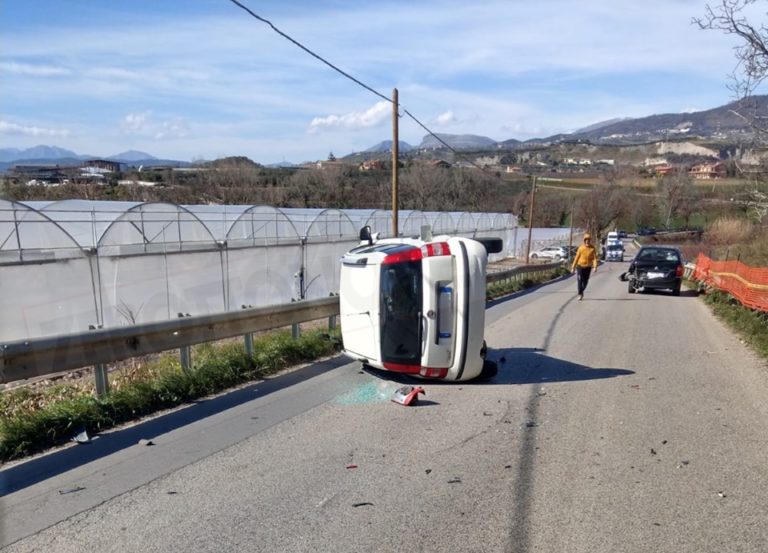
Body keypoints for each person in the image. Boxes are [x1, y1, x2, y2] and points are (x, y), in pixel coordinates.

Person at [571, 232, 598, 300]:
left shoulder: (592, 248)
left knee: (585, 282)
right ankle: (580, 294)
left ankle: (581, 291)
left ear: (590, 241)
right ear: (584, 241)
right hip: (580, 267)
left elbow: (594, 258)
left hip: (588, 267)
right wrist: (573, 267)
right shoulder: (581, 248)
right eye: (586, 240)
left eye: (588, 240)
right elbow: (576, 258)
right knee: (580, 280)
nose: (587, 241)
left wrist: (595, 267)